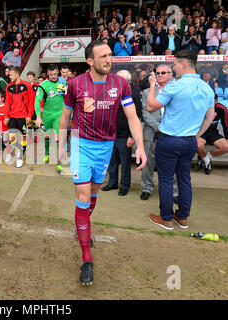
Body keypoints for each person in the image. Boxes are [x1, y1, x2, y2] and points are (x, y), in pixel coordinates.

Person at [58, 40, 146, 285]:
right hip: (81, 145)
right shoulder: (75, 84)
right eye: (104, 56)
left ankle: (82, 222)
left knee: (94, 193)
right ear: (90, 61)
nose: (109, 59)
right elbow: (65, 117)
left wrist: (140, 145)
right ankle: (87, 258)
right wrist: (61, 147)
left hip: (105, 147)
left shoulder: (121, 84)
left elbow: (132, 117)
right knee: (83, 196)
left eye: (110, 55)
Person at [146, 50, 215, 231]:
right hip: (189, 141)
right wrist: (197, 134)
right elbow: (210, 116)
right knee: (184, 179)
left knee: (166, 179)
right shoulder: (206, 87)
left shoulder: (175, 86)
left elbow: (150, 106)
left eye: (174, 64)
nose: (173, 68)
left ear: (184, 65)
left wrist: (153, 84)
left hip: (169, 140)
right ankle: (182, 218)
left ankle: (167, 218)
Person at [140, 65, 178, 202]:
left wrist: (166, 127)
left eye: (163, 73)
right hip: (151, 132)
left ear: (170, 74)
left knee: (171, 163)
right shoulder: (147, 92)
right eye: (157, 73)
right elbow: (145, 112)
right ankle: (146, 188)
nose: (160, 75)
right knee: (148, 163)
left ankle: (174, 192)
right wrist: (159, 127)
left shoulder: (177, 90)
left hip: (171, 133)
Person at [101, 70, 142, 196]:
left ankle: (125, 186)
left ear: (126, 81)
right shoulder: (111, 92)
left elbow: (137, 115)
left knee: (125, 163)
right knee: (111, 161)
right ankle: (112, 183)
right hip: (111, 134)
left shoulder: (133, 94)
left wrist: (131, 136)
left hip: (125, 136)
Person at [34, 64, 67, 173]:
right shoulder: (43, 85)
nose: (53, 76)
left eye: (55, 74)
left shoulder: (62, 82)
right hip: (47, 115)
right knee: (46, 136)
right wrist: (38, 116)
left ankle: (59, 163)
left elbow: (67, 97)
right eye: (51, 74)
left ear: (58, 72)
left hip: (59, 114)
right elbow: (37, 101)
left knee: (58, 138)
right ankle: (47, 154)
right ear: (47, 74)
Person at [4, 66, 35, 168]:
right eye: (9, 74)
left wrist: (29, 115)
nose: (10, 76)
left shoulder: (27, 85)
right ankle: (15, 151)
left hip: (24, 117)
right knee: (11, 138)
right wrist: (6, 116)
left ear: (17, 74)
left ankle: (20, 157)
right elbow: (7, 103)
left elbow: (31, 102)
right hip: (12, 116)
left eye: (11, 74)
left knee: (23, 138)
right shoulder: (9, 87)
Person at [195, 94, 228, 175]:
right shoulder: (200, 107)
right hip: (201, 132)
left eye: (213, 101)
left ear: (216, 101)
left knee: (226, 146)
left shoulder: (221, 108)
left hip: (213, 133)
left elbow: (225, 123)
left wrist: (227, 137)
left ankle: (204, 158)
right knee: (198, 145)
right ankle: (206, 162)